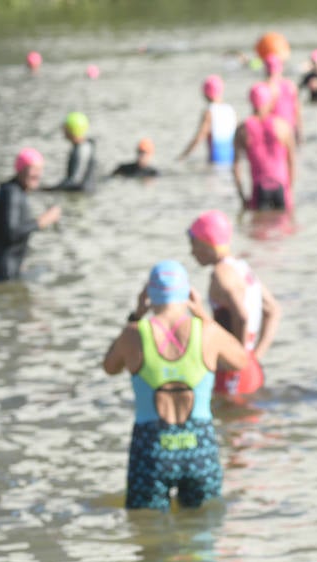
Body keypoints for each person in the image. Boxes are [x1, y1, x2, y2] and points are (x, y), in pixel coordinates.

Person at [102, 261, 249, 511]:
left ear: (148, 294)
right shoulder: (206, 333)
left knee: (149, 536)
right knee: (202, 532)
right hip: (199, 449)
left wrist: (135, 316)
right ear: (190, 293)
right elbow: (242, 360)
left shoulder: (134, 333)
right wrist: (204, 316)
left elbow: (109, 367)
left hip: (151, 451)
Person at [188, 210, 281, 397]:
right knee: (247, 423)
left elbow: (242, 317)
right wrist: (255, 356)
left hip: (233, 369)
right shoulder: (241, 267)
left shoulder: (220, 274)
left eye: (194, 244)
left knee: (231, 423)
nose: (191, 252)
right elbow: (273, 310)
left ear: (207, 243)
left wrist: (199, 313)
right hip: (251, 365)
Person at [0, 148, 62, 283]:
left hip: (8, 271)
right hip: (2, 274)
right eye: (32, 170)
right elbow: (11, 233)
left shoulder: (15, 191)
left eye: (40, 170)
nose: (37, 175)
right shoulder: (12, 194)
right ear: (20, 170)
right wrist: (42, 221)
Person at [234, 83, 296, 211]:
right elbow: (292, 162)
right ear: (270, 101)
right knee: (284, 227)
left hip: (259, 187)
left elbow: (236, 167)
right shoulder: (282, 126)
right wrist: (289, 191)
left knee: (259, 227)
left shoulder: (242, 129)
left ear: (250, 101)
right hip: (281, 185)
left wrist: (242, 197)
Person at [178, 75, 237, 167]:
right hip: (232, 157)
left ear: (205, 93)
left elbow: (199, 137)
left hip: (216, 158)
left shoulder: (209, 112)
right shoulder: (230, 110)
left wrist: (183, 156)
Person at [44, 112, 98, 193]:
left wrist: (49, 189)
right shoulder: (88, 145)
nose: (63, 130)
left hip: (81, 195)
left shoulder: (79, 151)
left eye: (66, 128)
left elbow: (74, 181)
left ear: (72, 130)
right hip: (88, 191)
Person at [263, 53, 301, 141]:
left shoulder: (265, 87)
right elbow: (297, 111)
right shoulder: (291, 85)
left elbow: (262, 113)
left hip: (273, 129)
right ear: (281, 68)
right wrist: (299, 133)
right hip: (290, 128)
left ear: (266, 69)